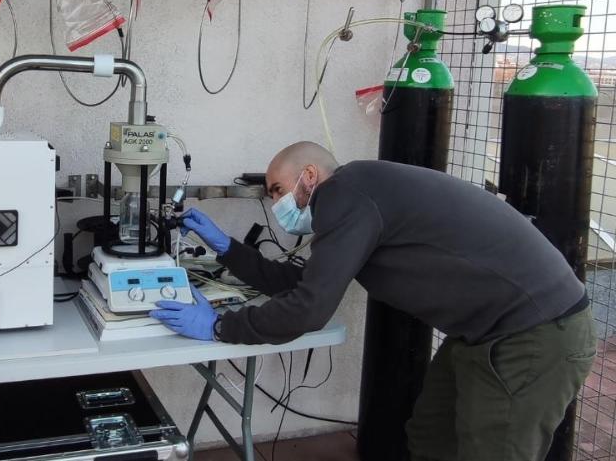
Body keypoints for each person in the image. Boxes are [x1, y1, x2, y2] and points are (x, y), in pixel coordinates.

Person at [149, 141, 596, 461]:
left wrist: (217, 326)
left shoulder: (346, 191)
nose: (277, 204)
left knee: (492, 451)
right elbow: (299, 281)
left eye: (277, 191)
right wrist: (226, 247)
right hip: (484, 334)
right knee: (430, 436)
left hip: (533, 335)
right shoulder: (362, 199)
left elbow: (308, 307)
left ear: (310, 176)